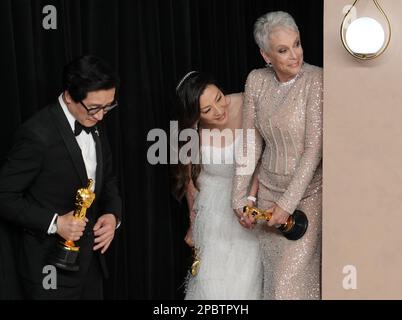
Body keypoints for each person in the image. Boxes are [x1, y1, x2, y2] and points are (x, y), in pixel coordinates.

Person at [0, 55, 122, 299]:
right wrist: (56, 223)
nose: (101, 116)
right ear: (68, 96)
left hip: (91, 266)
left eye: (108, 106)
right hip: (48, 270)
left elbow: (107, 179)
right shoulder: (37, 134)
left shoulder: (94, 120)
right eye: (95, 108)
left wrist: (113, 215)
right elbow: (3, 196)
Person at [232, 11, 323, 300]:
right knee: (272, 285)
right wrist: (238, 197)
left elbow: (314, 150)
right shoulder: (256, 80)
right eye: (283, 50)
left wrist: (287, 204)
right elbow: (250, 142)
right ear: (266, 55)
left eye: (297, 44)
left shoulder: (317, 80)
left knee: (290, 285)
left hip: (307, 196)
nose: (295, 55)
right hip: (268, 195)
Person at [171, 71, 262, 300]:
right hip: (211, 210)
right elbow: (191, 181)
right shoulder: (187, 132)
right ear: (194, 115)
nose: (219, 110)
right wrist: (193, 224)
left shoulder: (246, 102)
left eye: (219, 98)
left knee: (246, 279)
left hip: (247, 204)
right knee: (211, 282)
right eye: (207, 110)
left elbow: (264, 158)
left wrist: (249, 201)